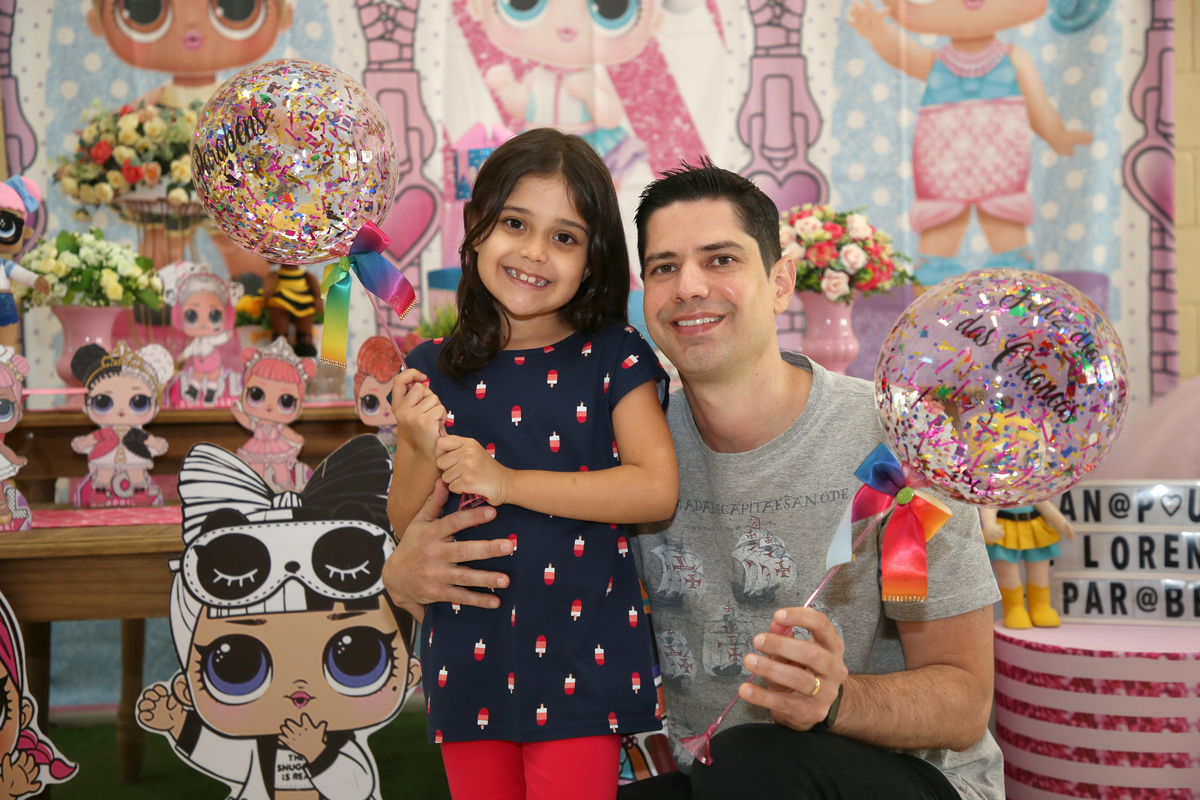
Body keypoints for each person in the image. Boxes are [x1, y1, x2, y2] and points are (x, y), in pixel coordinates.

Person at [384, 159, 1004, 800]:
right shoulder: (623, 444)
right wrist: (402, 572)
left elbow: (963, 703)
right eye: (664, 268)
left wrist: (837, 699)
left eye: (721, 259)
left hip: (901, 779)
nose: (688, 287)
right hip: (716, 776)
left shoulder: (896, 446)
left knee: (755, 759)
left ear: (781, 280)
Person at [387, 127, 677, 800]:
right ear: (477, 226)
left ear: (593, 260)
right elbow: (407, 524)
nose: (534, 252)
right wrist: (418, 443)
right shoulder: (430, 368)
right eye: (515, 223)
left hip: (582, 655)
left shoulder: (615, 355)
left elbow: (655, 489)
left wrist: (507, 482)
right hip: (466, 657)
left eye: (564, 237)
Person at [138, 435, 418, 800]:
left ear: (410, 672)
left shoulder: (340, 747)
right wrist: (179, 724)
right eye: (236, 667)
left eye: (353, 660)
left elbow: (356, 786)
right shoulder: (260, 746)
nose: (298, 689)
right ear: (190, 676)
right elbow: (222, 758)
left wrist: (318, 753)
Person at [232, 337, 316, 492]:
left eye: (286, 401)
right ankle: (257, 487)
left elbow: (285, 431)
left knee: (280, 467)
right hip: (257, 447)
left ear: (298, 408)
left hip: (277, 446)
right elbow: (247, 422)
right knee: (256, 467)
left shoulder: (278, 427)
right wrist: (237, 412)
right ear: (243, 395)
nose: (269, 407)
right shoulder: (256, 424)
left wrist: (296, 438)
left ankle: (285, 485)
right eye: (256, 394)